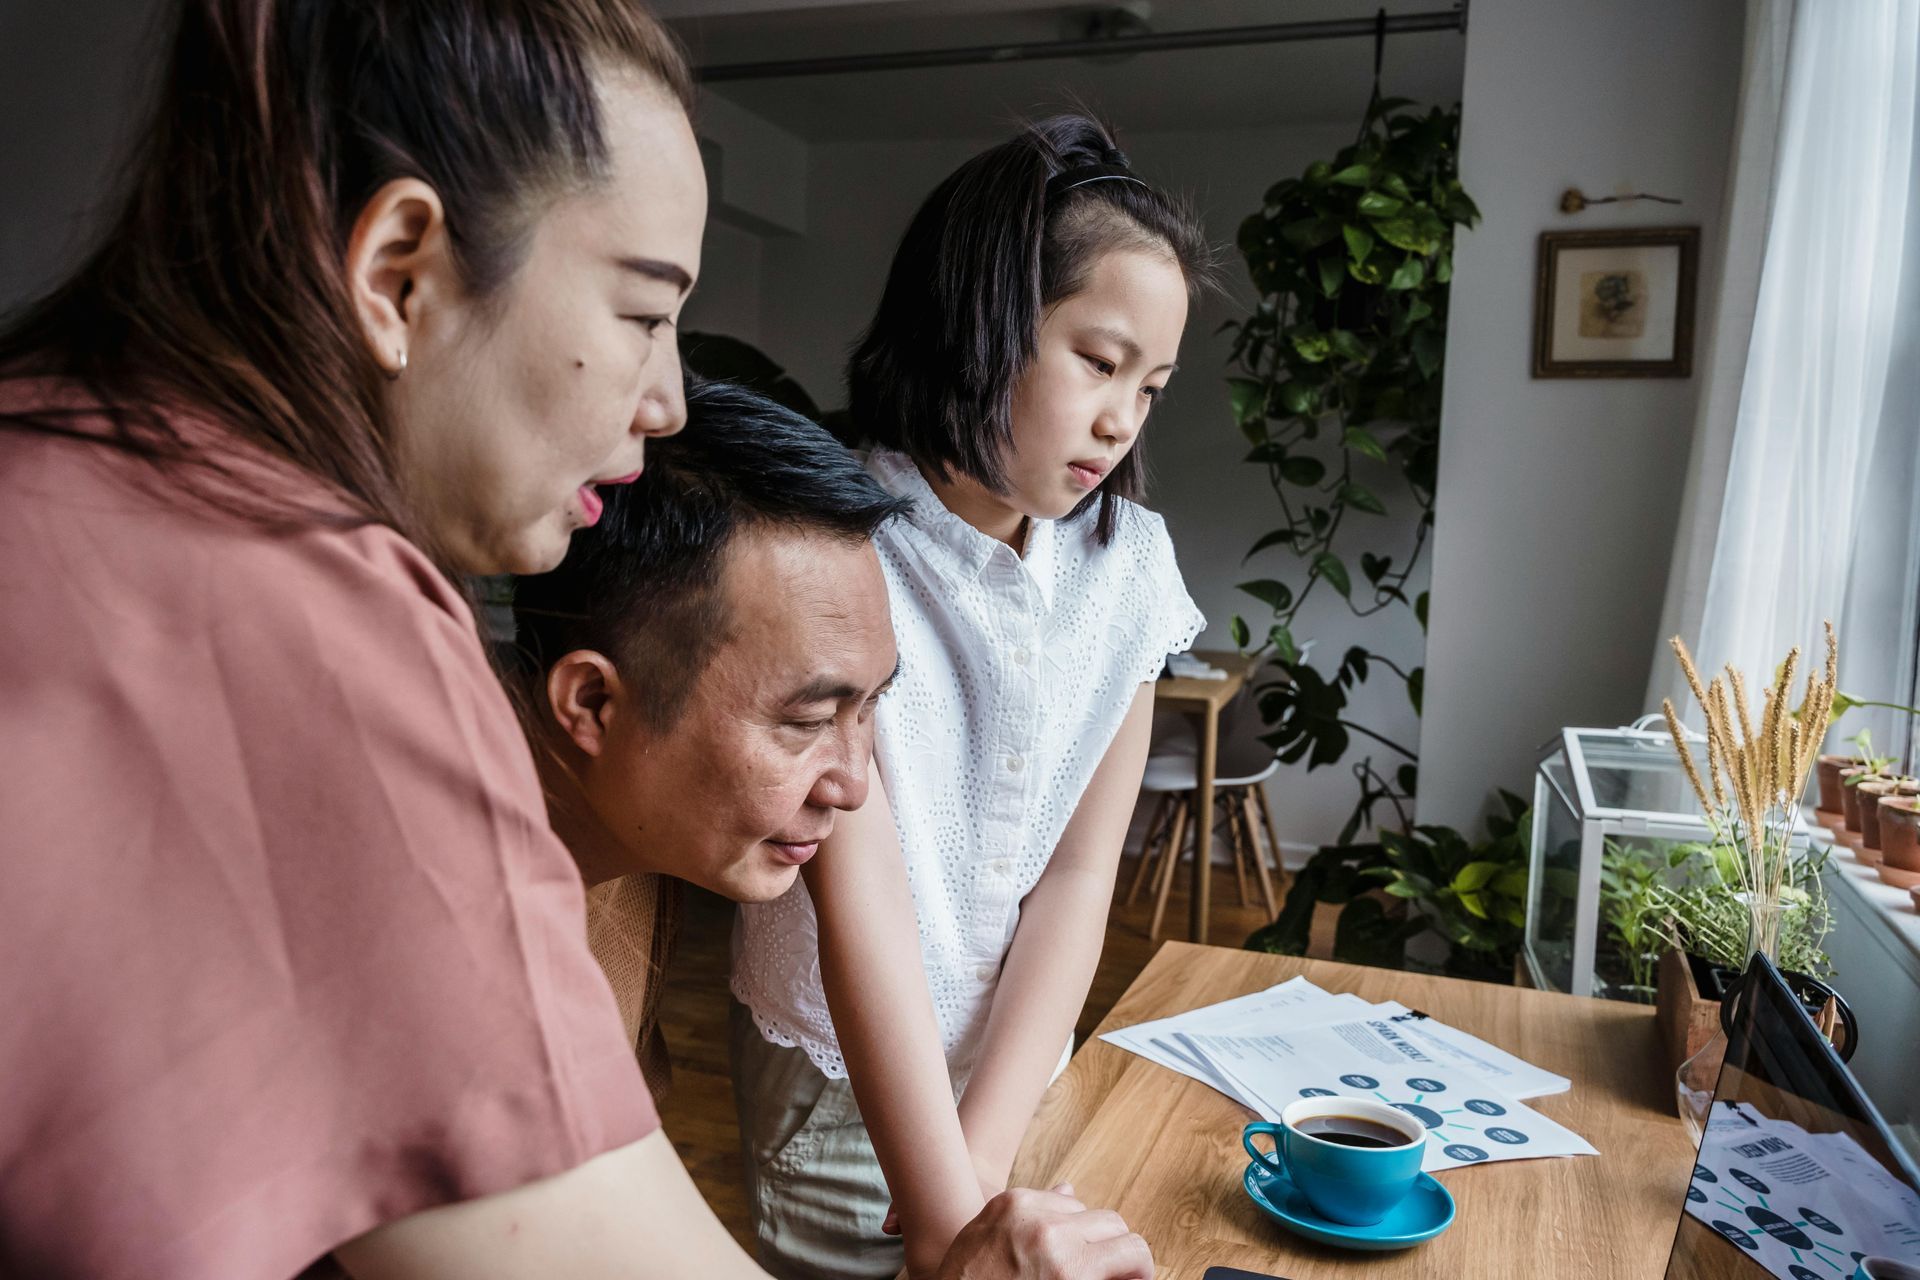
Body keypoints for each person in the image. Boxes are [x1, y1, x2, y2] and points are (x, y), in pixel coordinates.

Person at [0, 2, 1153, 1276]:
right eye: (641, 314)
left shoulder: (61, 467)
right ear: (399, 272)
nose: (663, 402)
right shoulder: (306, 629)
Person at [728, 114, 1213, 1279]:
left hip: (1023, 1074)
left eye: (1152, 385)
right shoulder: (842, 550)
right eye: (1098, 361)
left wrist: (987, 1162)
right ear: (984, 323)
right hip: (847, 1091)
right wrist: (945, 1208)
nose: (1122, 417)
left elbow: (1080, 873)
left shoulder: (1130, 566)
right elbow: (860, 888)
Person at [507, 379, 909, 1096]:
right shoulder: (435, 931)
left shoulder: (636, 854)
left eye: (870, 706)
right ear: (594, 702)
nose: (852, 786)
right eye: (809, 722)